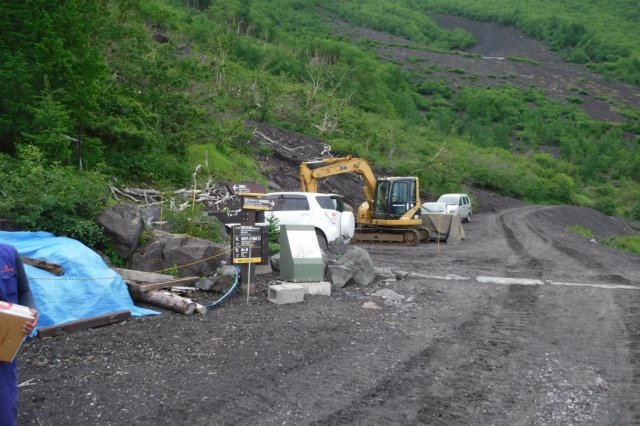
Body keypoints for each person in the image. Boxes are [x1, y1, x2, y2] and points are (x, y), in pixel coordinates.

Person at [0, 243, 38, 426]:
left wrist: (29, 313)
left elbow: (24, 290)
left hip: (4, 354)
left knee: (5, 415)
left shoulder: (8, 253)